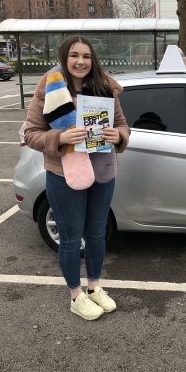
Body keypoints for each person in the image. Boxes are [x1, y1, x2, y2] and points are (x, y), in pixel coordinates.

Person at [24, 35, 131, 321]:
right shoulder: (49, 88)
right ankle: (76, 295)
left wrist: (118, 135)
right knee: (71, 238)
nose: (80, 61)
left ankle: (94, 287)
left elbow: (122, 125)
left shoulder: (104, 88)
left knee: (96, 234)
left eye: (86, 56)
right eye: (74, 55)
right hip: (63, 173)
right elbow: (30, 133)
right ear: (64, 58)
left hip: (103, 170)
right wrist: (60, 136)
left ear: (92, 60)